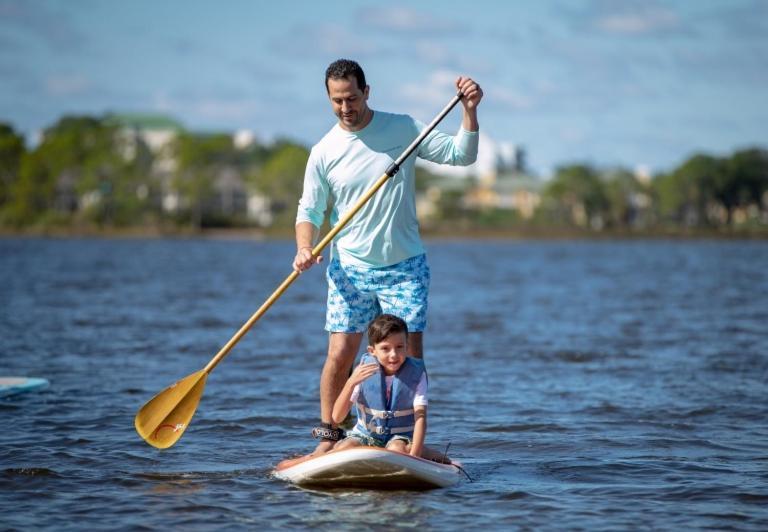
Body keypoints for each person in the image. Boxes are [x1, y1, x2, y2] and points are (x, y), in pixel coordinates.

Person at [293, 58, 482, 454]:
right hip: (350, 268)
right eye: (336, 100)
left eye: (351, 98)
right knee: (340, 354)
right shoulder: (324, 151)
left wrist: (469, 111)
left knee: (408, 356)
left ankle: (410, 442)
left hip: (405, 267)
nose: (346, 108)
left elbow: (460, 156)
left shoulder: (403, 129)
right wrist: (304, 247)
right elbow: (309, 211)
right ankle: (330, 437)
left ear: (367, 92)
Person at [332, 314, 427, 456]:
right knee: (344, 449)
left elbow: (421, 418)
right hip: (365, 435)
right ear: (372, 351)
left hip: (400, 438)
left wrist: (415, 456)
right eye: (385, 348)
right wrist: (350, 383)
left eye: (399, 347)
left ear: (407, 346)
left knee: (396, 450)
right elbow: (337, 418)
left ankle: (429, 454)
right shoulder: (363, 372)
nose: (394, 354)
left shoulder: (417, 374)